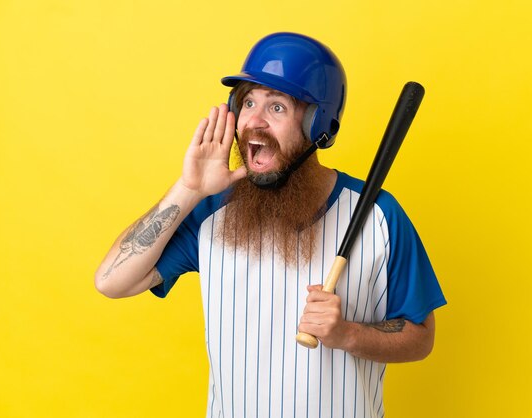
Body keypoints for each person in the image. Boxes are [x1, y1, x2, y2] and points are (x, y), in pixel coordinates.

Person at [95, 32, 446, 418]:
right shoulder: (210, 210)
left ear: (318, 126)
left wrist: (347, 334)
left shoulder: (378, 213)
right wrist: (188, 189)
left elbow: (420, 336)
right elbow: (112, 282)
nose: (254, 122)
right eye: (247, 102)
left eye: (277, 107)